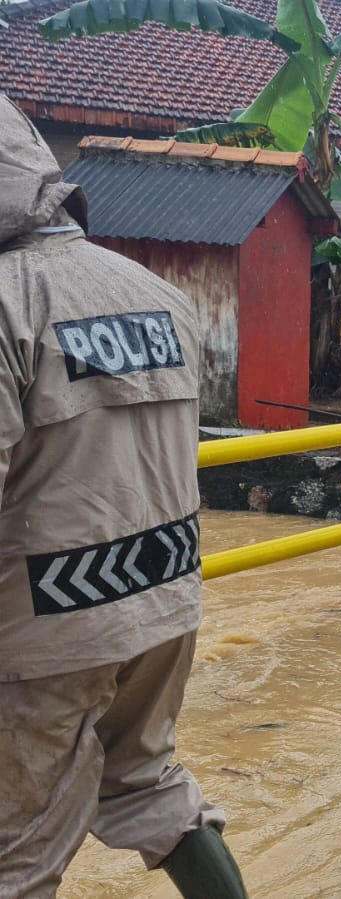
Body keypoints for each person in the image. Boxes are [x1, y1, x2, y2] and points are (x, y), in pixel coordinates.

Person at [0, 96, 246, 897]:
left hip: (47, 624)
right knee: (150, 782)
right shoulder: (155, 291)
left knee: (15, 851)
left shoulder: (7, 302)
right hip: (164, 597)